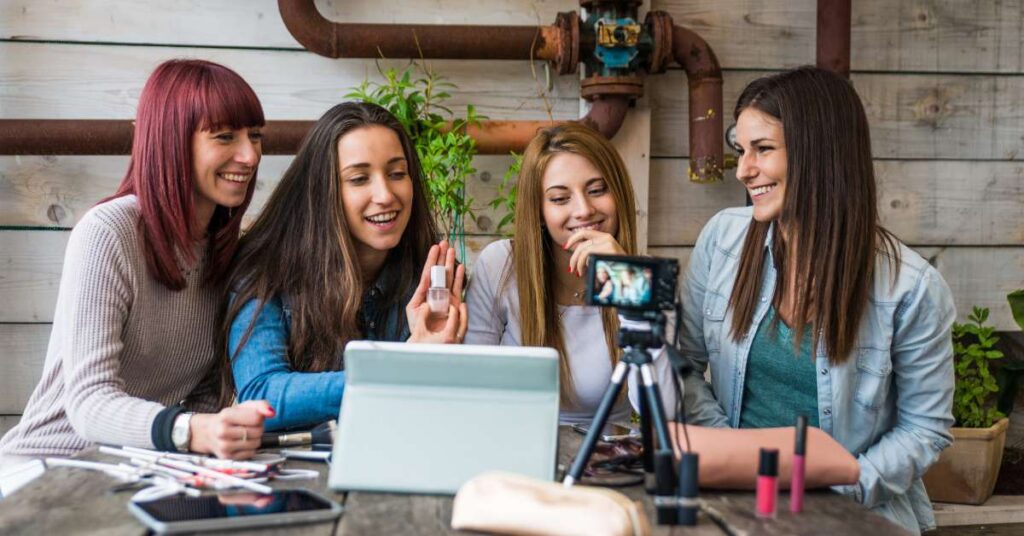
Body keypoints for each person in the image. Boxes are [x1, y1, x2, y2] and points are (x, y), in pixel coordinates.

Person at [678, 66, 955, 534]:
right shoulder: (723, 239)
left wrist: (832, 488)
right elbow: (683, 364)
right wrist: (737, 458)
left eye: (763, 149)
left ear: (819, 153)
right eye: (741, 150)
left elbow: (924, 429)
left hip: (855, 512)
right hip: (738, 503)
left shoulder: (910, 288)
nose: (745, 169)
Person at [0, 60, 275, 493]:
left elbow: (206, 390)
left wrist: (208, 435)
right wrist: (191, 431)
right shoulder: (108, 233)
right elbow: (89, 404)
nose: (250, 155)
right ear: (171, 141)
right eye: (226, 137)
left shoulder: (228, 251)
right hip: (46, 471)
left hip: (135, 473)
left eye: (255, 136)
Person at [223, 102, 467, 432]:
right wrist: (401, 367)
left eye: (397, 174)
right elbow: (262, 395)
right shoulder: (265, 270)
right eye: (358, 179)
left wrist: (444, 357)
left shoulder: (429, 276)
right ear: (323, 191)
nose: (385, 195)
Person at [465, 123, 676, 425]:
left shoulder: (645, 277)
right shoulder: (500, 264)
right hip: (517, 447)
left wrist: (627, 286)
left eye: (597, 190)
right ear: (538, 210)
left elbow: (661, 412)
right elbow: (474, 387)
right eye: (560, 198)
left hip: (606, 459)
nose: (584, 210)